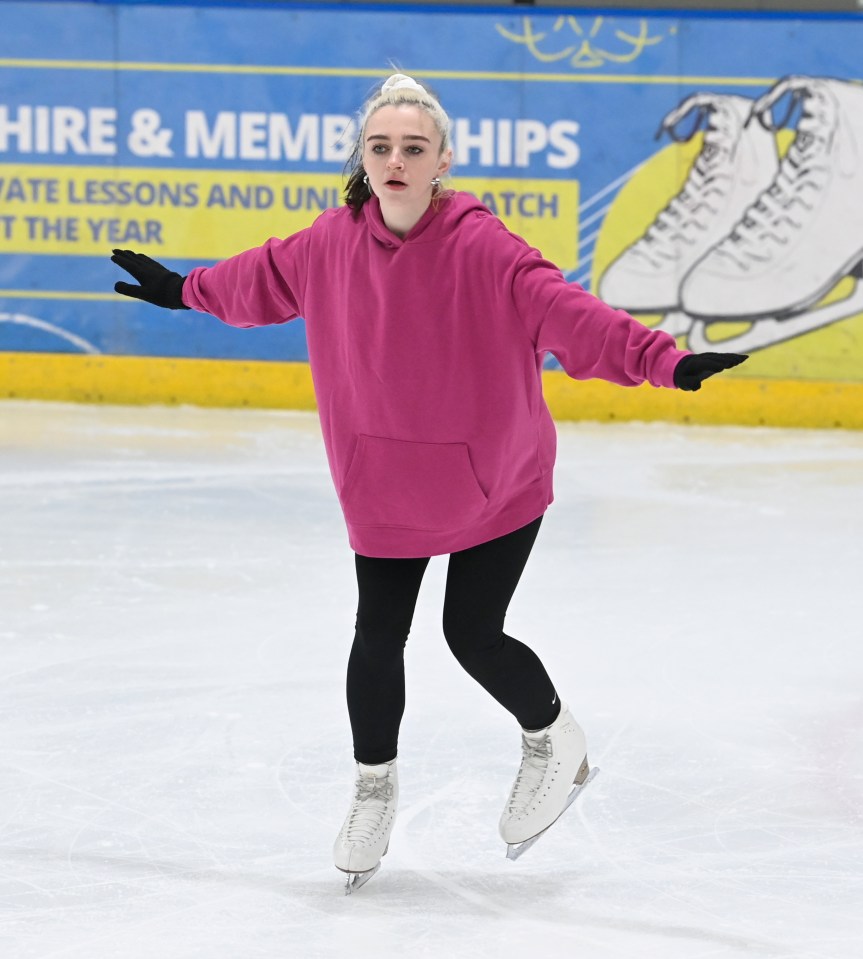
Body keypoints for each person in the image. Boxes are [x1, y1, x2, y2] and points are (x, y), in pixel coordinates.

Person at [111, 73, 746, 887]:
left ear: (444, 159)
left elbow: (569, 314)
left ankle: (553, 737)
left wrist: (666, 361)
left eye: (413, 148)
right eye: (381, 148)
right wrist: (179, 289)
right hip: (383, 483)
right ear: (362, 158)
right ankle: (373, 785)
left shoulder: (485, 249)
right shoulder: (328, 244)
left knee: (470, 633)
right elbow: (256, 279)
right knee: (378, 632)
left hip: (496, 479)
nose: (396, 161)